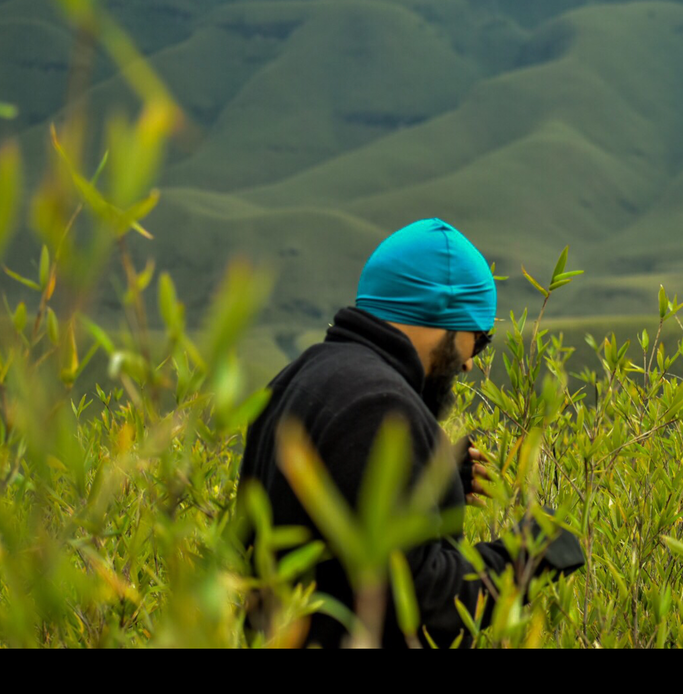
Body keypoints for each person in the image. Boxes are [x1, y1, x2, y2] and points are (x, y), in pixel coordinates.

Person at [236, 217, 584, 648]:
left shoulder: (299, 376)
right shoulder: (381, 408)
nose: (471, 362)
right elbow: (423, 604)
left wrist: (430, 486)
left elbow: (335, 527)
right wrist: (528, 557)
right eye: (478, 339)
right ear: (442, 317)